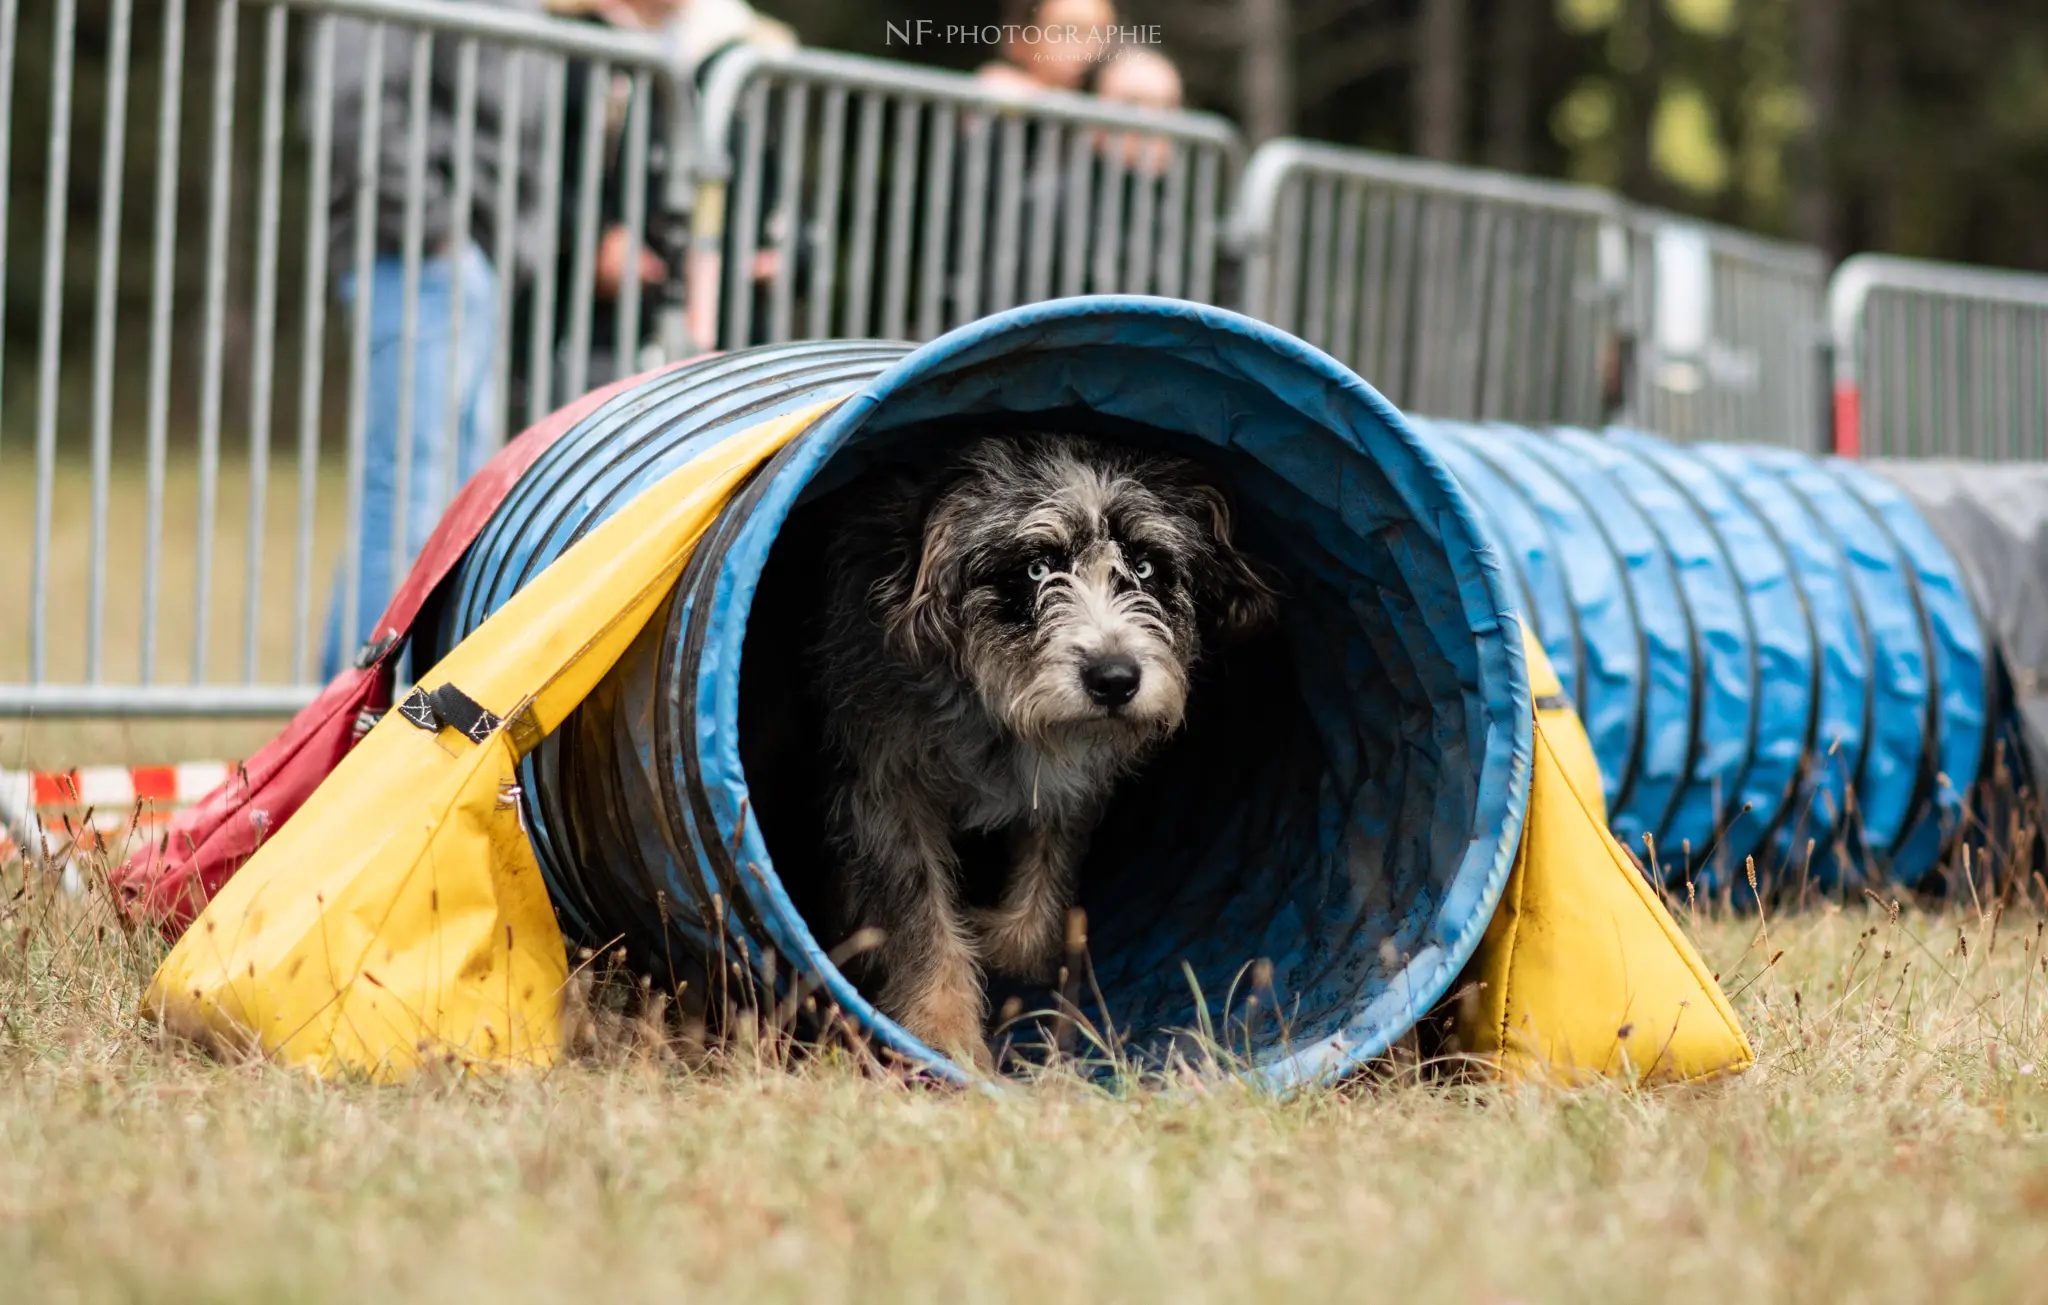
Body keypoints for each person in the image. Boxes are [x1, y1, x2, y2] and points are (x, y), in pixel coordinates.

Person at [320, 3, 547, 681]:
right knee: (408, 499)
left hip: (469, 255)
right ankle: (365, 711)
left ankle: (356, 706)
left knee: (447, 502)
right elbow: (357, 102)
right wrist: (438, 231)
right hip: (421, 251)